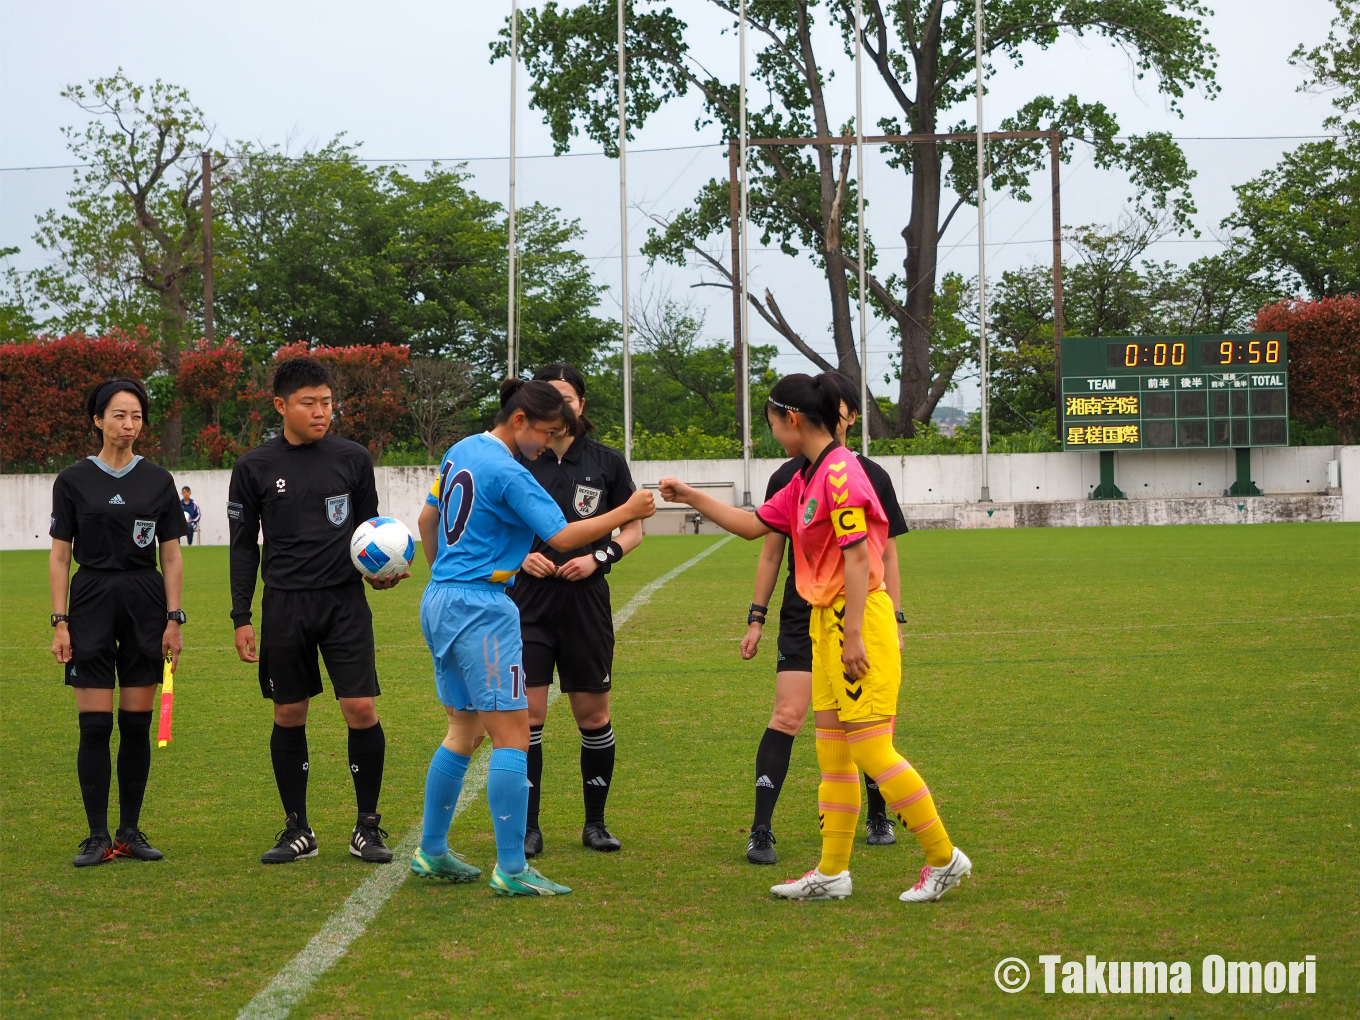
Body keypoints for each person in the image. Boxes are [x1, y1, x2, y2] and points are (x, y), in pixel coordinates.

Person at [659, 372, 970, 903]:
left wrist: (854, 637)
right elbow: (755, 526)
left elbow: (857, 555)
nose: (773, 434)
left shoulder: (841, 473)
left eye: (773, 424)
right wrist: (690, 495)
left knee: (872, 749)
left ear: (793, 419)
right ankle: (832, 871)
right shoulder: (805, 476)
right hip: (822, 622)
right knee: (833, 754)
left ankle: (944, 858)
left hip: (857, 621)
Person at [410, 379, 655, 897]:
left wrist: (446, 576)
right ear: (518, 420)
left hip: (441, 599)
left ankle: (432, 851)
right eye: (543, 433)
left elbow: (427, 519)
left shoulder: (463, 449)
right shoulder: (508, 470)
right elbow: (564, 537)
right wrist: (628, 511)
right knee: (514, 736)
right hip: (484, 609)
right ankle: (512, 866)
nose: (545, 445)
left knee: (463, 730)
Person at [229, 357, 408, 866]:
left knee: (362, 710)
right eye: (309, 403)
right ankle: (296, 829)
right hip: (284, 604)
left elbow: (369, 535)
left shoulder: (353, 458)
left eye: (327, 402)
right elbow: (244, 546)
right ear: (282, 405)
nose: (321, 411)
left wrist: (381, 571)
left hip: (344, 602)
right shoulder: (254, 467)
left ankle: (367, 828)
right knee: (289, 713)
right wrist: (241, 616)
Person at [741, 372, 910, 864]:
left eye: (841, 408)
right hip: (803, 614)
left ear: (850, 416)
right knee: (789, 715)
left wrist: (892, 622)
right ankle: (762, 828)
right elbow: (769, 551)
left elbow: (883, 558)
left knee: (865, 727)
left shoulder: (866, 475)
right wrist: (757, 617)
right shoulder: (789, 477)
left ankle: (879, 815)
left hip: (855, 612)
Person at [49, 378, 188, 867]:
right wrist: (60, 621)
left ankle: (129, 832)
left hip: (144, 600)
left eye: (136, 417)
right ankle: (96, 836)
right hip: (89, 599)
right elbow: (60, 556)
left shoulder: (158, 481)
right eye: (118, 415)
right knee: (94, 727)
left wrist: (174, 619)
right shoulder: (71, 480)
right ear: (97, 419)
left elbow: (170, 556)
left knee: (135, 725)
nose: (128, 426)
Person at [511, 364, 642, 857]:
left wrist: (599, 558)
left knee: (593, 715)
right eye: (551, 401)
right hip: (527, 604)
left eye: (568, 399)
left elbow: (632, 527)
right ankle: (529, 827)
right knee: (529, 715)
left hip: (586, 604)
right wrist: (520, 556)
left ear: (581, 404)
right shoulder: (519, 460)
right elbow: (498, 525)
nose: (561, 409)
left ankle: (595, 823)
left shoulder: (607, 462)